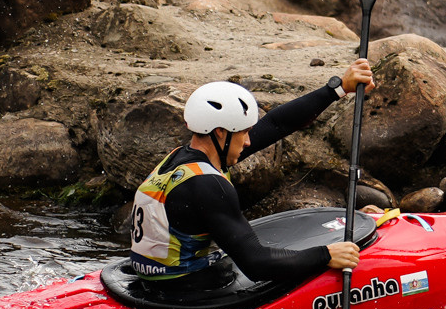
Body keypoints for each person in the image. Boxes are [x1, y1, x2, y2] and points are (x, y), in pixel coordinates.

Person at [123, 63, 376, 291]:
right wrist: (326, 254)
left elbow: (277, 124)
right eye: (243, 133)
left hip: (152, 282)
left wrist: (338, 89)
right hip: (187, 292)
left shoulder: (181, 159)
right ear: (221, 133)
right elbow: (256, 265)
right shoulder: (208, 185)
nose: (247, 142)